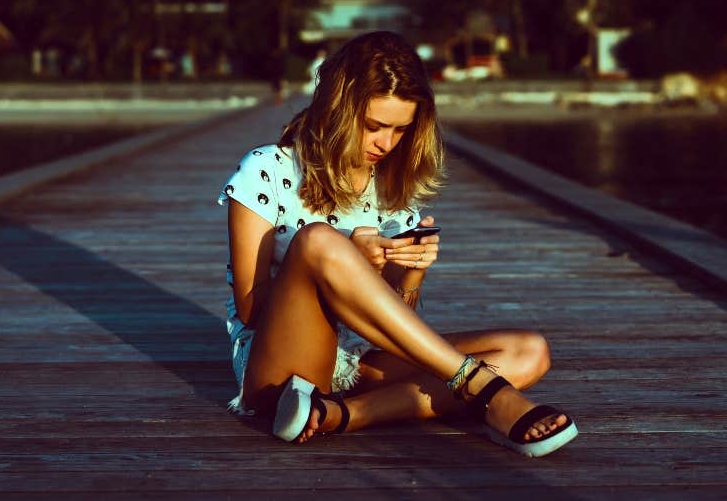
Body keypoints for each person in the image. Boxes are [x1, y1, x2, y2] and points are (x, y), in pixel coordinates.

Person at [217, 31, 577, 457]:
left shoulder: (392, 194)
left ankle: (341, 415)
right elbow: (250, 309)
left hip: (350, 364)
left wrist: (412, 267)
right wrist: (343, 256)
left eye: (399, 130)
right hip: (278, 368)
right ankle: (480, 387)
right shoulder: (266, 171)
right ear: (338, 109)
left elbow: (393, 326)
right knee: (317, 239)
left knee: (528, 351)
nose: (385, 143)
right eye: (374, 126)